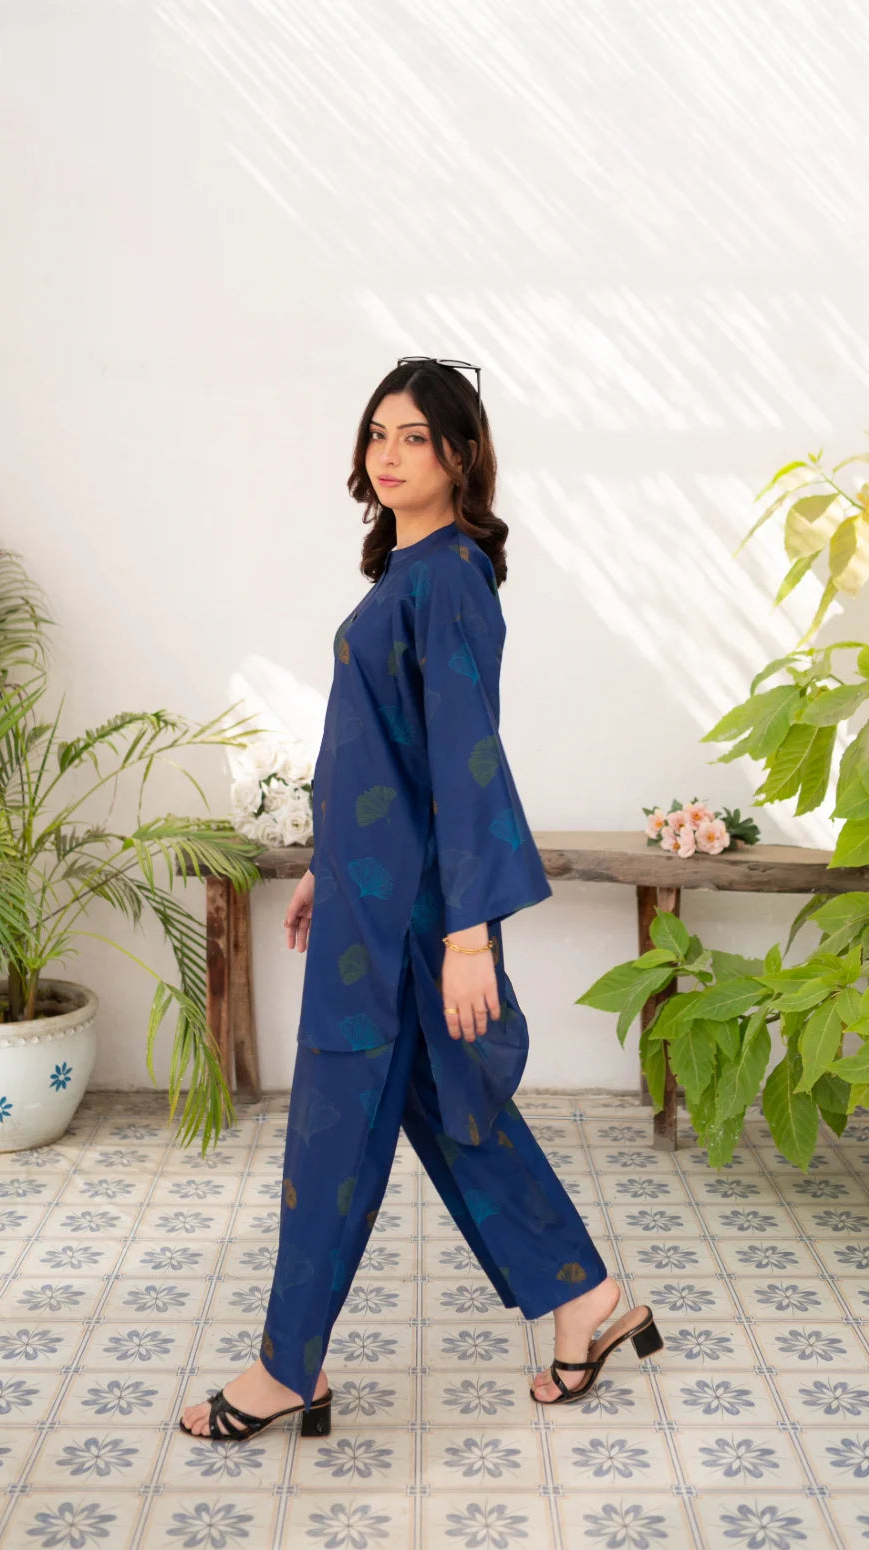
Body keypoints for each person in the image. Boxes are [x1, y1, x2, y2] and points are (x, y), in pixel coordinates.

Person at [180, 359, 662, 1444]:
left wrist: (467, 935)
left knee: (331, 1136)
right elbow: (381, 753)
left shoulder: (446, 578)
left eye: (415, 437)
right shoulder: (408, 573)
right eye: (378, 435)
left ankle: (280, 1370)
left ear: (460, 455)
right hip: (369, 899)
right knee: (457, 1116)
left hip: (406, 924)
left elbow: (464, 761)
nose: (389, 454)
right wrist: (323, 863)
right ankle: (584, 1299)